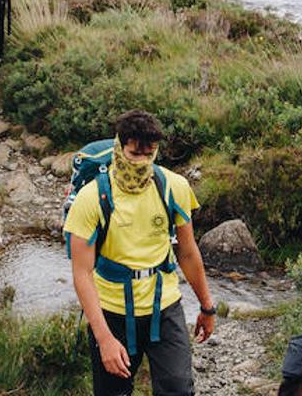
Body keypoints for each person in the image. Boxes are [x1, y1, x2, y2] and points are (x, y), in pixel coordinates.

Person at [65, 110, 215, 396]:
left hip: (165, 308)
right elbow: (81, 274)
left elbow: (187, 252)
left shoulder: (174, 186)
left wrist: (207, 307)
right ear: (119, 148)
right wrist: (104, 339)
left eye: (149, 155)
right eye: (134, 154)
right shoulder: (91, 198)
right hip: (113, 313)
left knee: (179, 390)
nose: (142, 162)